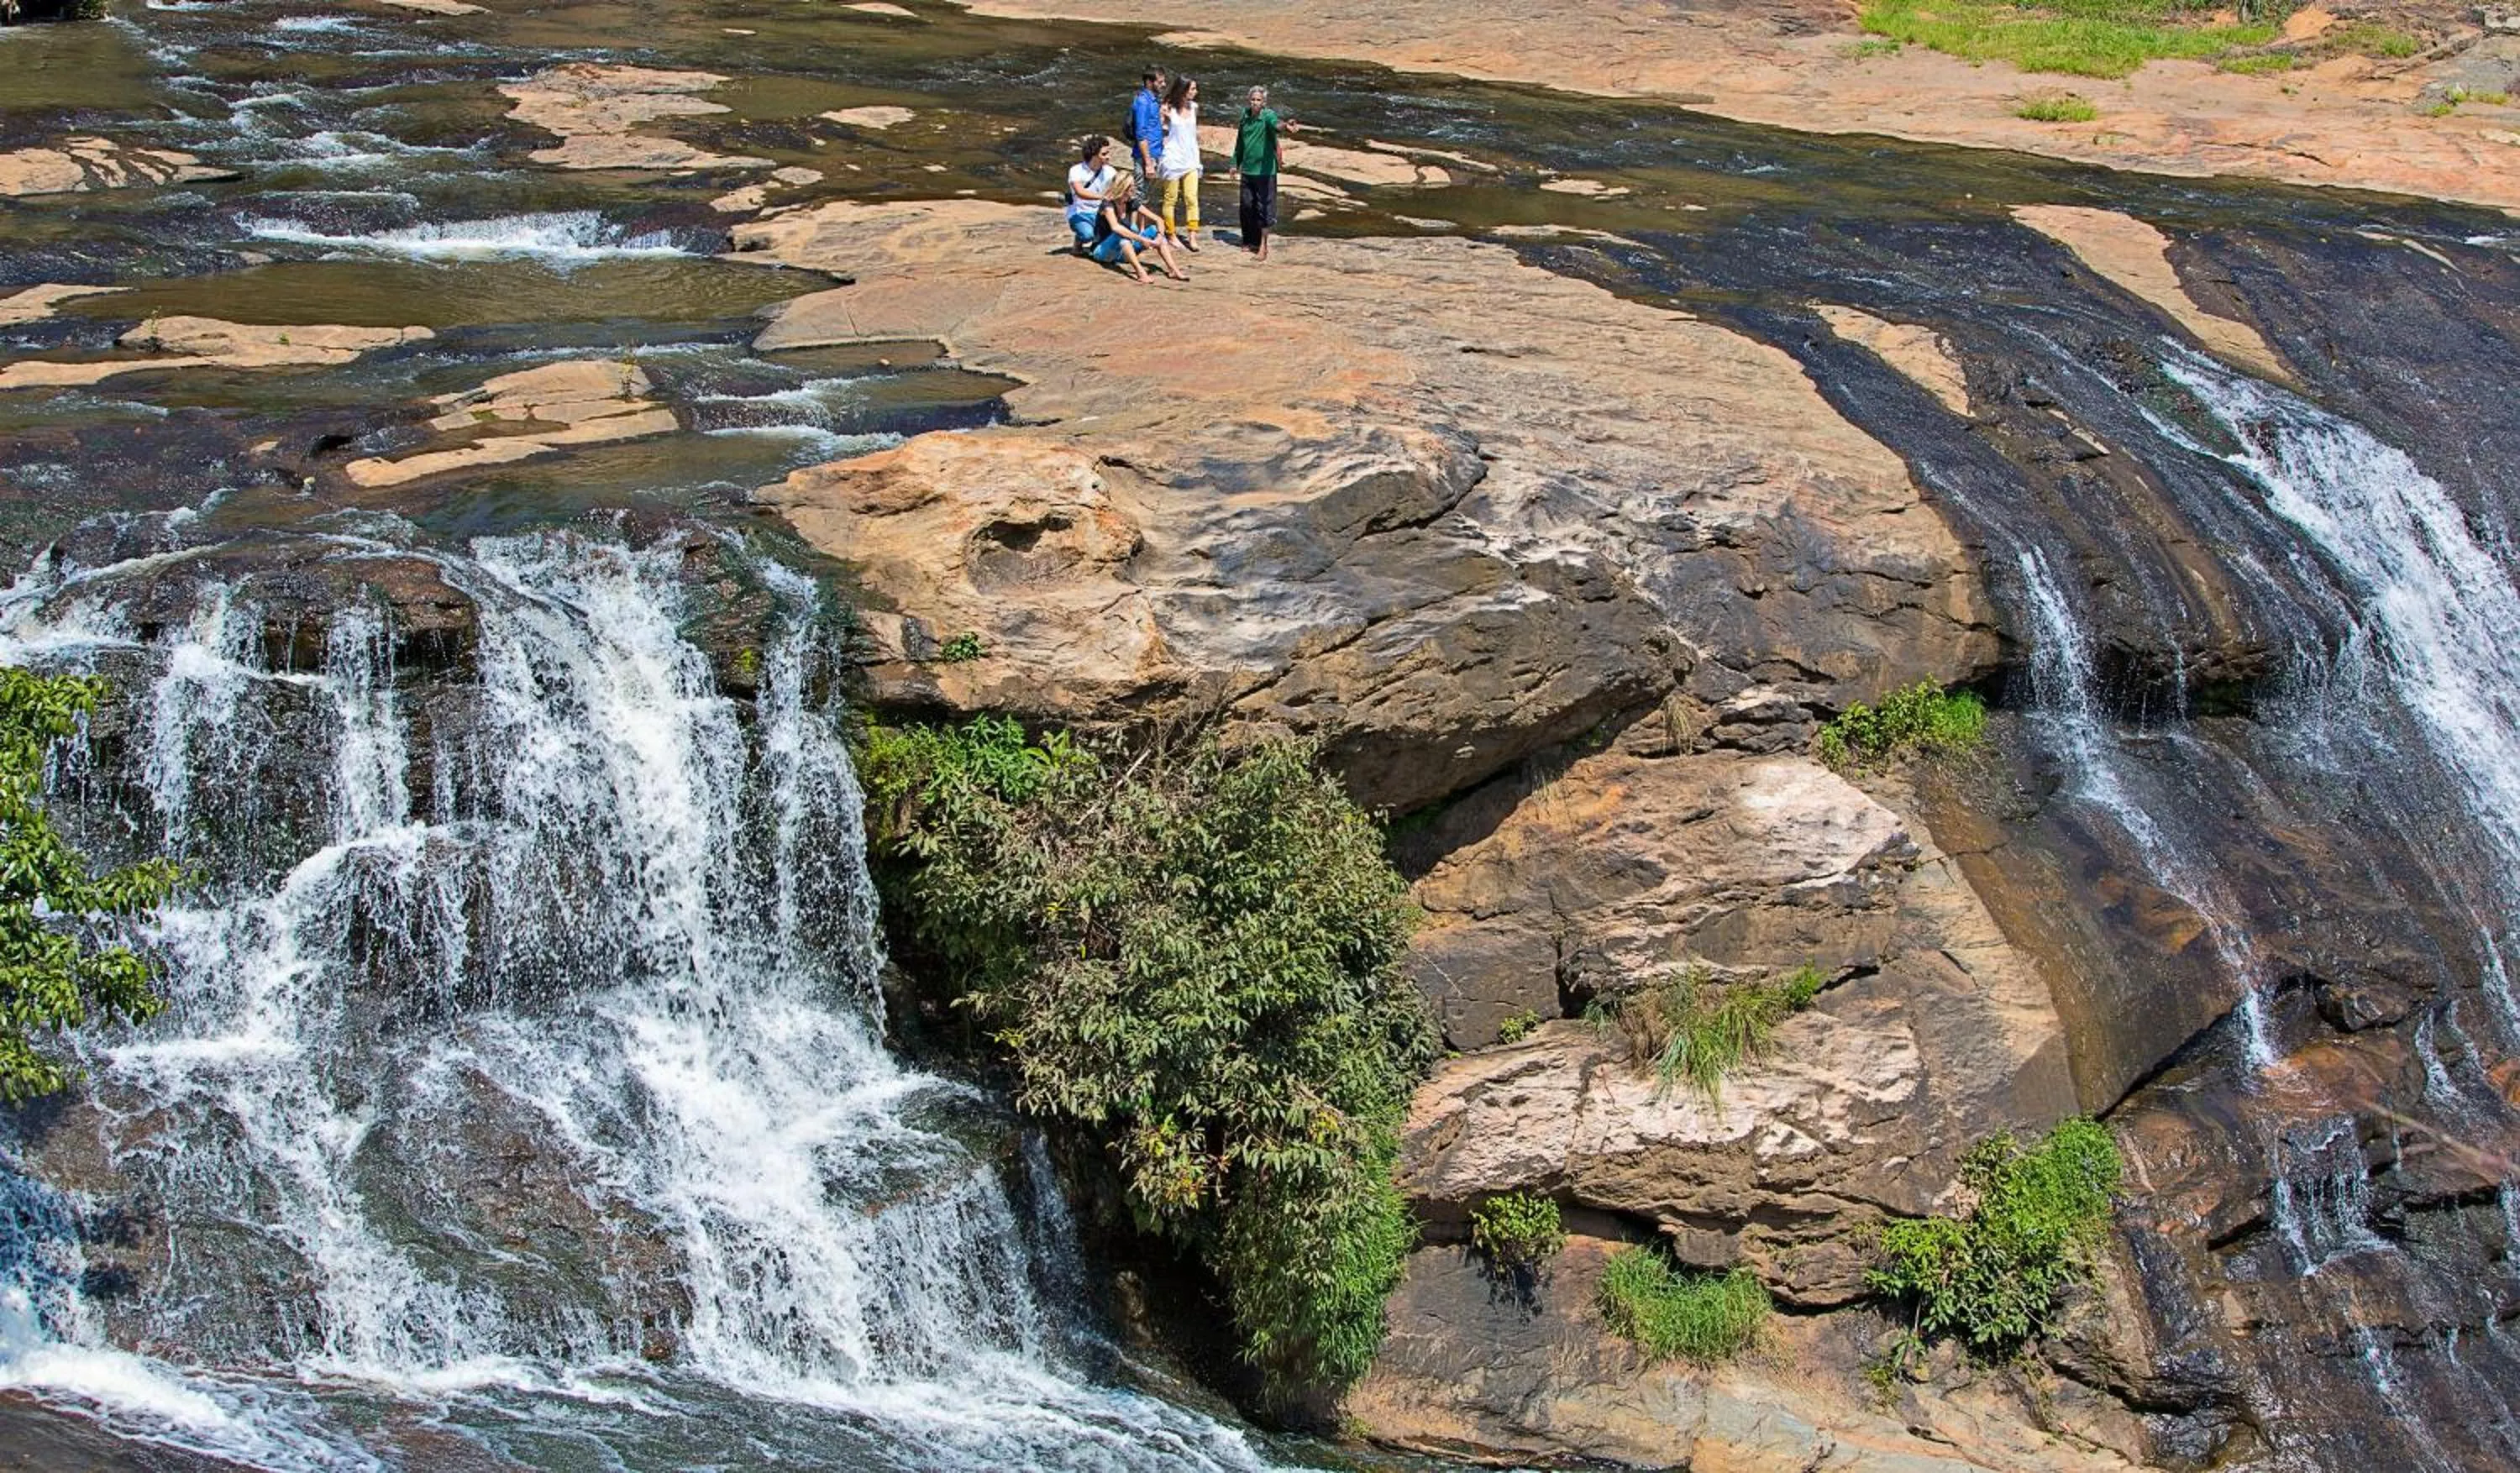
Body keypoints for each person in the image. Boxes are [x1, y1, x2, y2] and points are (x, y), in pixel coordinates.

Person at [1233, 85, 1299, 261]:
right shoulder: (1245, 116)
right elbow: (1240, 142)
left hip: (1265, 172)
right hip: (1248, 170)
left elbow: (1276, 125)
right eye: (1253, 99)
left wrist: (1286, 125)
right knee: (1247, 206)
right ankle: (1250, 241)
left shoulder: (1268, 115)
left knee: (1265, 208)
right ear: (1249, 100)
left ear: (1264, 103)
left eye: (1259, 100)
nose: (1255, 103)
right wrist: (1235, 163)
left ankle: (1263, 246)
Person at [1088, 172, 1185, 284]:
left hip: (1122, 253)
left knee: (1154, 230)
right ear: (1123, 187)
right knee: (1121, 235)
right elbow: (1116, 227)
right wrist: (1142, 239)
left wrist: (1160, 236)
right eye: (1131, 186)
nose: (1134, 188)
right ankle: (1141, 273)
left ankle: (1173, 270)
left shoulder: (1131, 202)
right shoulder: (1107, 205)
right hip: (1102, 251)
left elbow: (1158, 220)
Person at [1156, 75, 1204, 250]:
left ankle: (1193, 235)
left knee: (1191, 197)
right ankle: (1171, 234)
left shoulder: (1194, 107)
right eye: (1192, 89)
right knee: (1171, 199)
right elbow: (1160, 131)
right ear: (1183, 90)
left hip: (1191, 158)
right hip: (1173, 158)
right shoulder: (1168, 108)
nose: (1195, 92)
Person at [1064, 135, 1118, 254]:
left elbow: (1115, 189)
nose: (1108, 157)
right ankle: (1079, 241)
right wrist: (1102, 197)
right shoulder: (1076, 170)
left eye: (1108, 153)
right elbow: (1080, 192)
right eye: (1104, 154)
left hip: (1101, 213)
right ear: (1094, 155)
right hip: (1080, 212)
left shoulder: (1111, 172)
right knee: (1087, 235)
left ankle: (1096, 243)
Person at [1126, 67, 1168, 186]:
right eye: (1160, 82)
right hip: (1145, 157)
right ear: (1149, 82)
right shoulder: (1143, 102)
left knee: (1148, 193)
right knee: (1140, 193)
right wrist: (1148, 163)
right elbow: (1141, 134)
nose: (1164, 85)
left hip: (1155, 153)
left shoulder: (1154, 100)